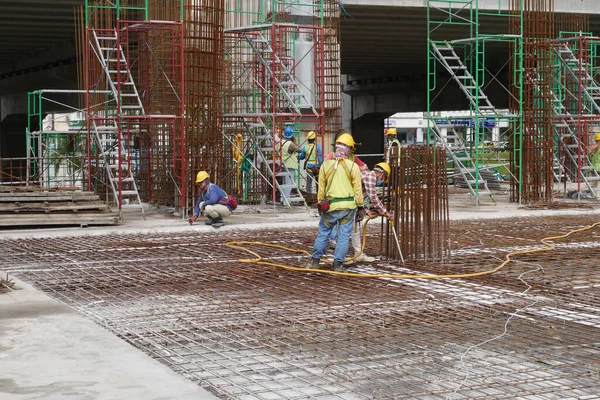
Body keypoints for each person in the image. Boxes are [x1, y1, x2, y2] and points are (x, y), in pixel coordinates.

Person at [308, 133, 364, 272]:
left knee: (323, 233)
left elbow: (321, 188)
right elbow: (357, 189)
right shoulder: (353, 167)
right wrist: (361, 207)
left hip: (330, 207)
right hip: (348, 208)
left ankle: (315, 261)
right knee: (344, 237)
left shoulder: (325, 166)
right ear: (349, 150)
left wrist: (320, 203)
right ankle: (338, 265)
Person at [330, 162, 393, 262]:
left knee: (355, 230)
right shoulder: (370, 177)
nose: (381, 181)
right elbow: (373, 197)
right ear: (382, 174)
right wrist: (385, 212)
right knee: (345, 230)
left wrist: (367, 211)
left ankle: (358, 254)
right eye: (383, 178)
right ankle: (340, 258)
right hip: (347, 203)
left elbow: (362, 195)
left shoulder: (366, 176)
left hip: (351, 203)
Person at [278, 126, 302, 206]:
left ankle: (282, 198)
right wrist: (295, 142)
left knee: (285, 183)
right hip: (290, 165)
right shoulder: (290, 144)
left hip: (282, 165)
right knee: (289, 183)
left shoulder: (280, 142)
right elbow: (299, 150)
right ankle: (286, 200)